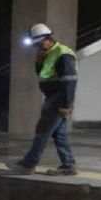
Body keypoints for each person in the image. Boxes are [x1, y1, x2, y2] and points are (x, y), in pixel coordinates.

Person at [12, 23, 78, 176]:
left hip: (58, 99)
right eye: (37, 45)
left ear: (48, 39)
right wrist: (39, 62)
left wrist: (66, 104)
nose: (39, 47)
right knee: (59, 134)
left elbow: (70, 81)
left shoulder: (63, 54)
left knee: (42, 131)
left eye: (40, 43)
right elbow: (43, 74)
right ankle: (69, 165)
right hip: (52, 97)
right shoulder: (48, 53)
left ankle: (28, 164)